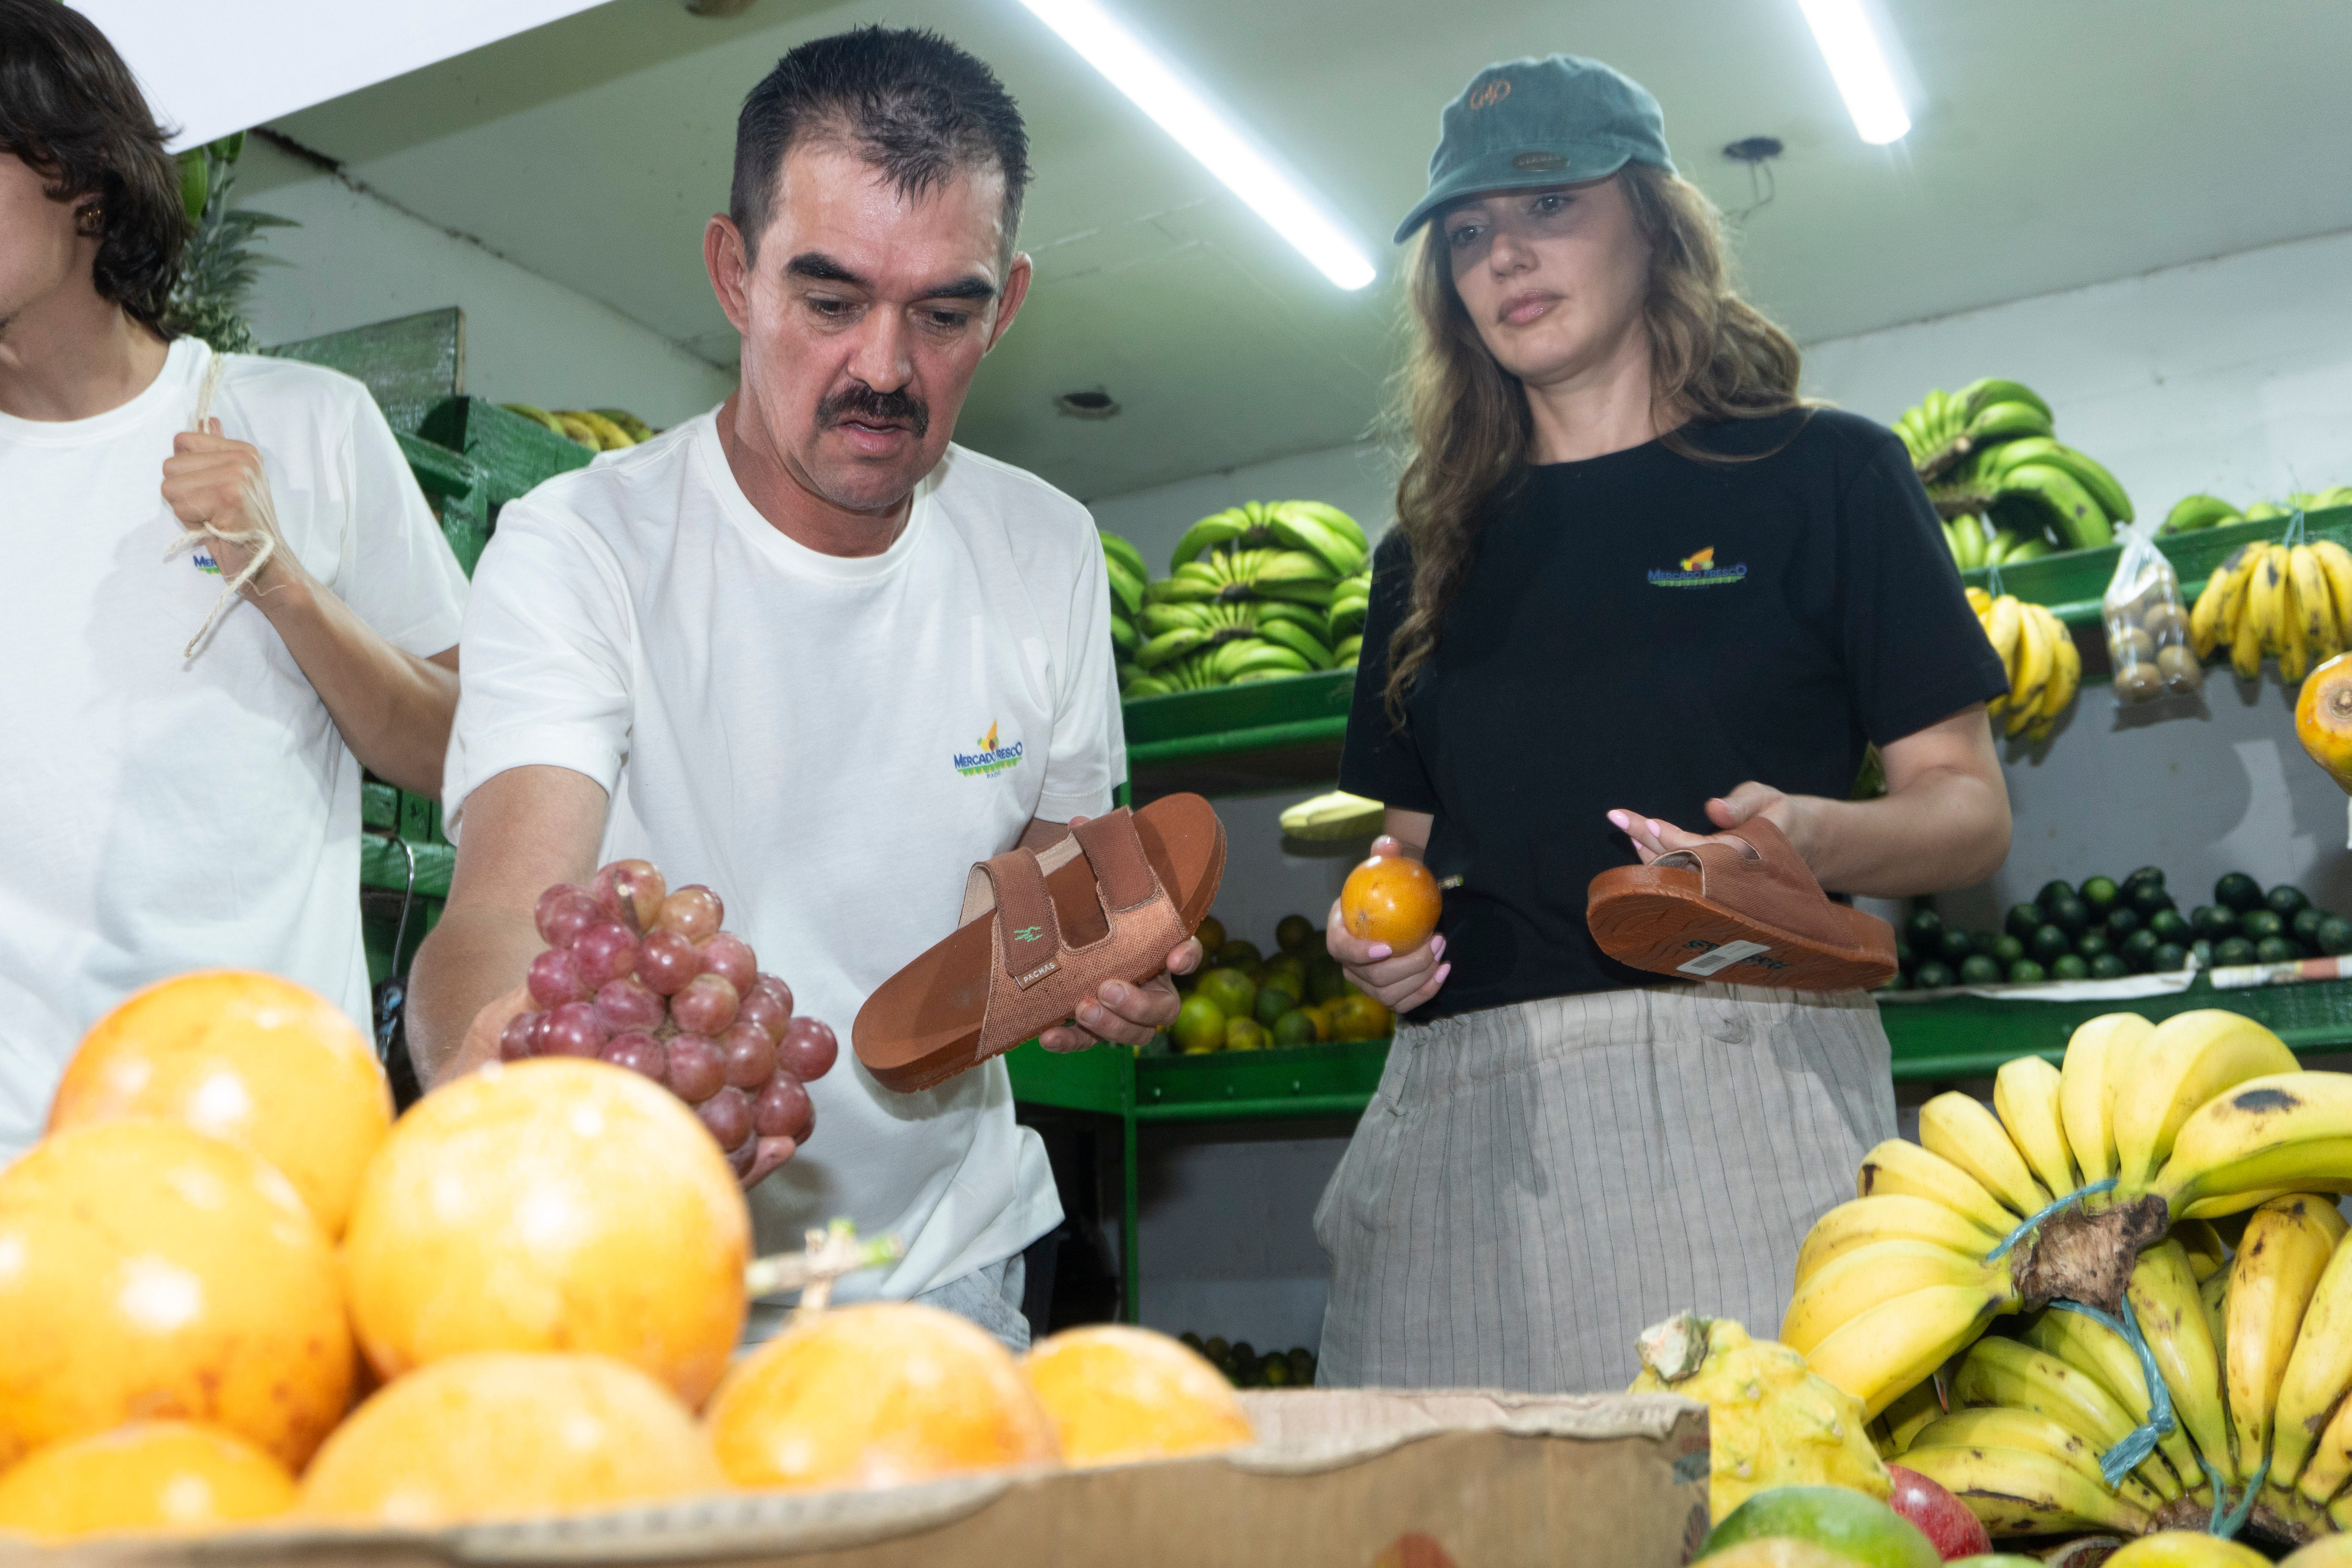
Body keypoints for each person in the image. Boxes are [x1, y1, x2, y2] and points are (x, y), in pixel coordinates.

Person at [406, 27, 1193, 1350]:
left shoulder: (1045, 545)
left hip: (950, 1266)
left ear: (1004, 307)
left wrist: (1104, 964)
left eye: (943, 313)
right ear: (735, 273)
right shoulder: (580, 543)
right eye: (830, 303)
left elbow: (1058, 859)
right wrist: (492, 1059)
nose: (885, 369)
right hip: (649, 1272)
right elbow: (502, 908)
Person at [1315, 54, 2013, 1392]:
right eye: (1468, 235)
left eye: (1550, 209)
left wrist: (1817, 834)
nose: (1504, 256)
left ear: (1655, 222)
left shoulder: (1828, 476)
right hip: (1466, 1112)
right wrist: (1370, 938)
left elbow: (1967, 811)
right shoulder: (1428, 548)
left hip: (1745, 1082)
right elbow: (1401, 855)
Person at [0, 0, 466, 1158]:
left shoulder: (305, 425)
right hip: (25, 1173)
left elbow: (460, 750)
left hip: (272, 1148)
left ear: (84, 181)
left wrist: (281, 580)